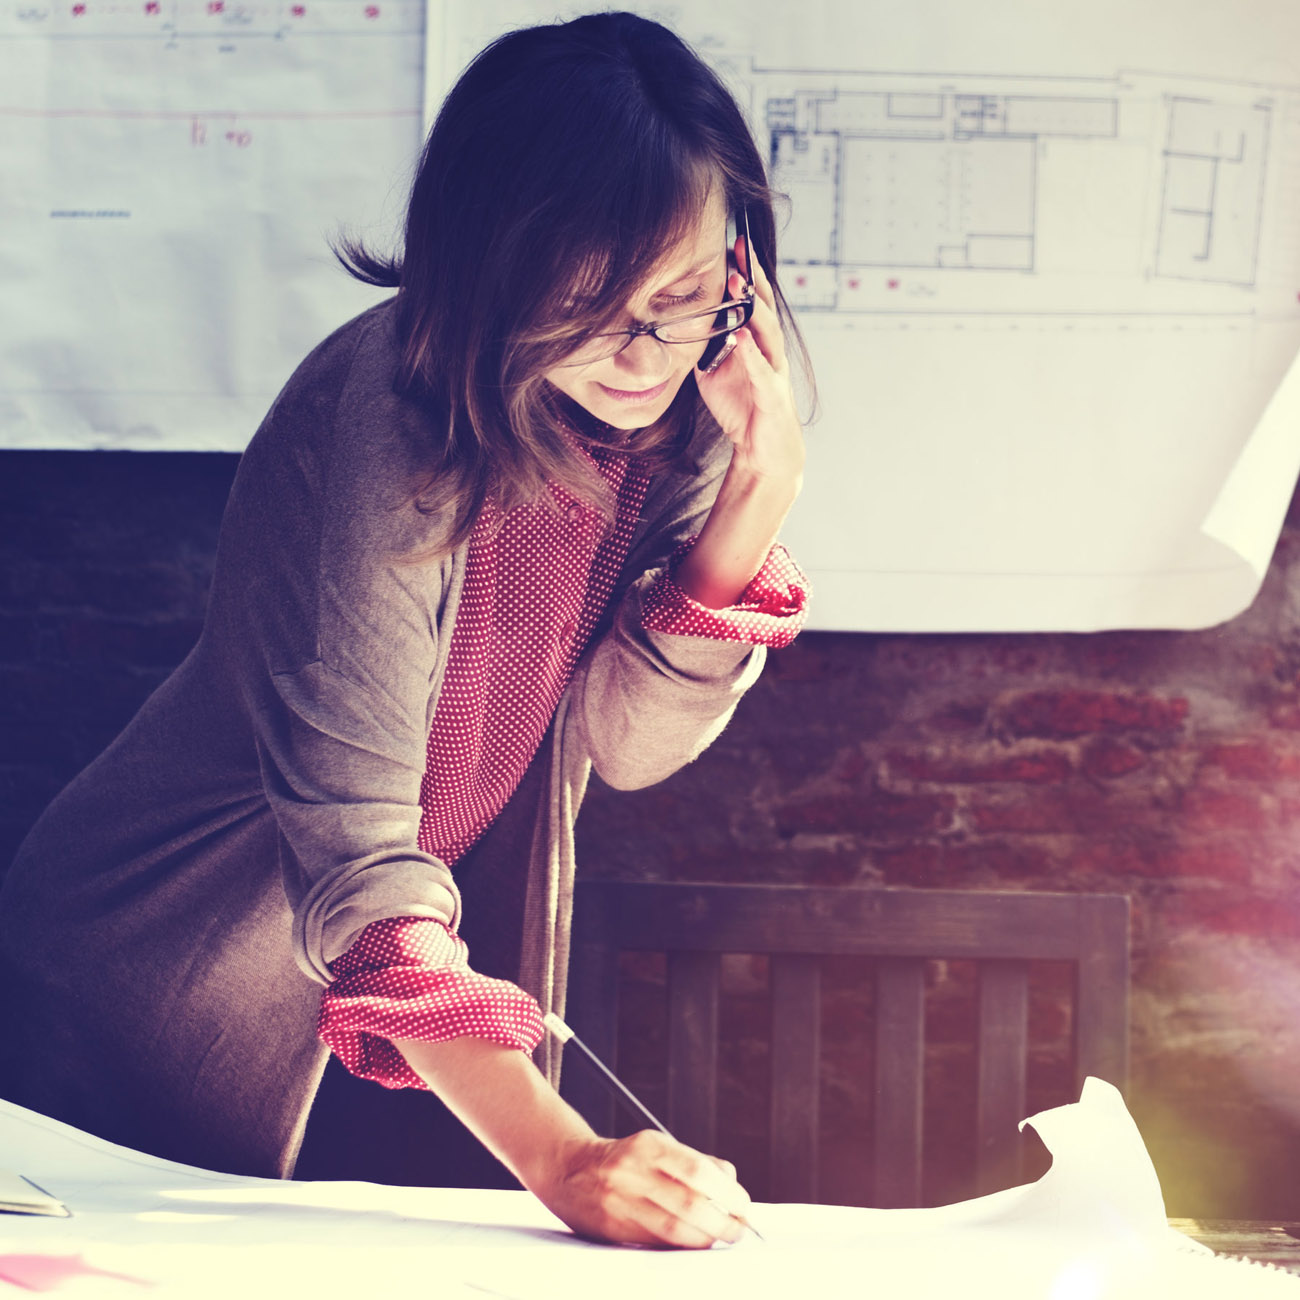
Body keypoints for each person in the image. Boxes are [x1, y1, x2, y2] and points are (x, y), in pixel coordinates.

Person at [0, 11, 811, 1248]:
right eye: (593, 304)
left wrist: (759, 485)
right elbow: (358, 843)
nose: (643, 352)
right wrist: (570, 1156)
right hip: (165, 968)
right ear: (491, 263)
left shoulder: (685, 416)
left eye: (689, 296)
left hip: (402, 997)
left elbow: (623, 741)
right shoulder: (392, 415)